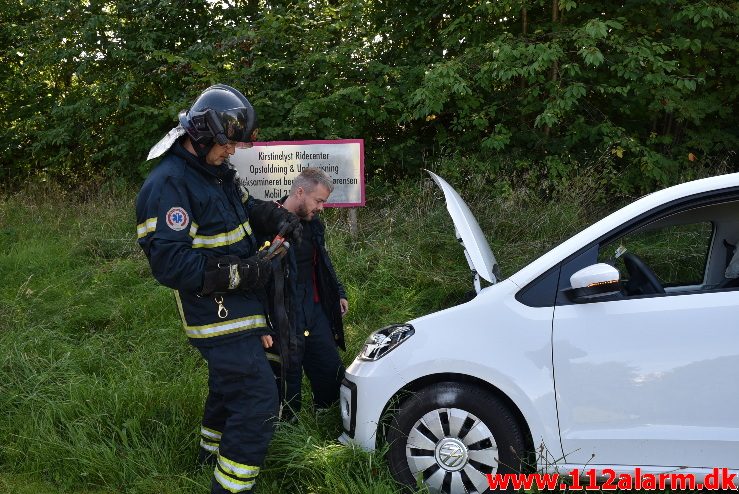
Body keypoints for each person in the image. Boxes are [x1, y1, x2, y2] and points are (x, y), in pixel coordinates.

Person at [135, 84, 300, 494]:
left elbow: (246, 209)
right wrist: (246, 273)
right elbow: (171, 263)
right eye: (228, 144)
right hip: (215, 312)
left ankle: (210, 451)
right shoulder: (169, 184)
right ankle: (231, 487)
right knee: (259, 399)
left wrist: (277, 218)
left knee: (231, 383)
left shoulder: (217, 174)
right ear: (203, 134)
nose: (233, 152)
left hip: (243, 298)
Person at [277, 167, 348, 418]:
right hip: (284, 311)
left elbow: (322, 260)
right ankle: (287, 430)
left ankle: (329, 417)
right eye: (319, 201)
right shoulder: (268, 222)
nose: (321, 207)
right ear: (299, 192)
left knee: (330, 367)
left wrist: (337, 291)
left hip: (315, 308)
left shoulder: (313, 224)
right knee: (289, 374)